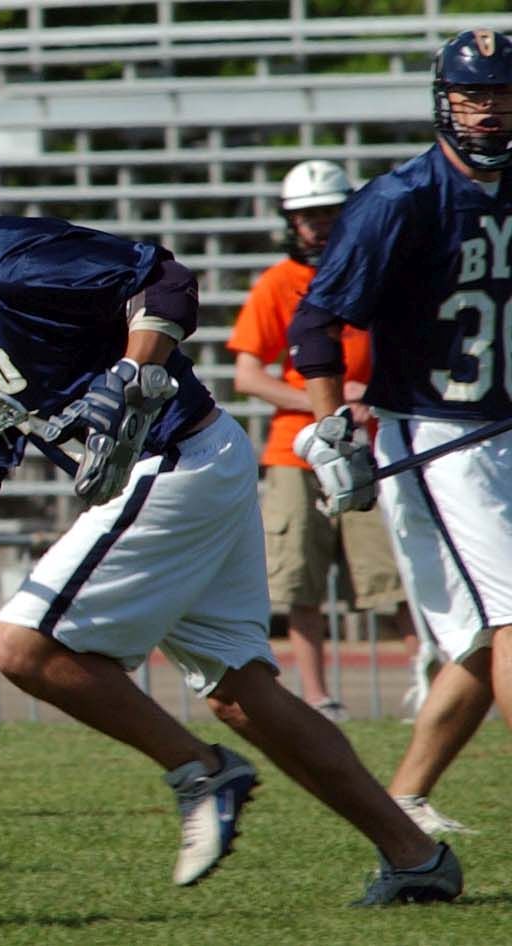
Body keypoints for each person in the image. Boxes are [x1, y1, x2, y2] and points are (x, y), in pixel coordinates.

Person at [0, 120, 460, 904]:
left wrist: (131, 374)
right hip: (198, 460)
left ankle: (200, 773)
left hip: (172, 457)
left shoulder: (7, 256)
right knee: (243, 694)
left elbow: (163, 279)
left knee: (21, 644)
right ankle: (416, 858)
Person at [288, 27, 512, 839]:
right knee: (510, 623)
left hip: (502, 425)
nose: (488, 110)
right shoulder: (400, 199)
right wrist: (330, 427)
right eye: (473, 94)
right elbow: (316, 323)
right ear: (444, 100)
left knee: (483, 643)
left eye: (503, 93)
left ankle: (403, 807)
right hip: (440, 436)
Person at [227, 159, 429, 722]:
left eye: (329, 214)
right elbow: (249, 376)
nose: (318, 225)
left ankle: (428, 684)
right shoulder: (277, 283)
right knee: (300, 584)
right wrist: (328, 401)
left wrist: (371, 396)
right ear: (290, 222)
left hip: (374, 447)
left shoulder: (381, 275)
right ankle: (318, 696)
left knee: (392, 576)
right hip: (297, 451)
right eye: (308, 216)